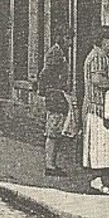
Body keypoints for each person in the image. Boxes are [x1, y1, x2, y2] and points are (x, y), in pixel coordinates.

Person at [81, 25, 109, 195]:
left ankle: (101, 180)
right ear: (104, 40)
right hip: (99, 109)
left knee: (106, 145)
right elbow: (97, 79)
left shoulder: (101, 56)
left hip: (103, 108)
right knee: (101, 145)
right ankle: (97, 181)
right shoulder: (98, 57)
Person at [37, 27, 74, 177]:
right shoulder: (55, 53)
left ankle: (52, 163)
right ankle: (50, 165)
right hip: (55, 95)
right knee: (53, 131)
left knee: (57, 130)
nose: (70, 42)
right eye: (68, 38)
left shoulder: (60, 52)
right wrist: (50, 89)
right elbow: (45, 74)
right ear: (60, 38)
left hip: (58, 94)